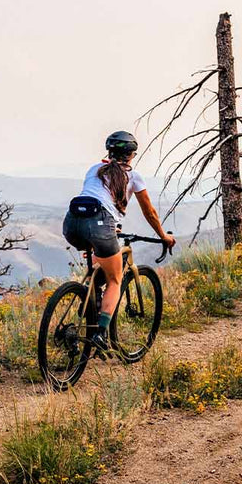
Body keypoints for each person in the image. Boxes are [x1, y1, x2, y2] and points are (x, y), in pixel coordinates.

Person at [62, 131, 175, 351]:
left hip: (72, 224)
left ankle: (90, 302)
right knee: (115, 279)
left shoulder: (94, 169)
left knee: (99, 265)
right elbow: (150, 213)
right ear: (131, 155)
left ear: (109, 152)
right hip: (100, 225)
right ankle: (100, 333)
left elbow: (99, 198)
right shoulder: (133, 176)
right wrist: (164, 236)